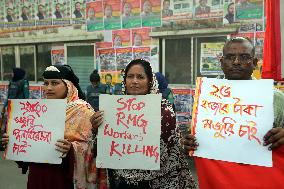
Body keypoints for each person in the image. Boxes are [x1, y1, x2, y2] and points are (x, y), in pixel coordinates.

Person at [91, 59, 197, 189]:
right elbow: (101, 147)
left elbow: (174, 147)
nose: (134, 81)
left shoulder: (164, 110)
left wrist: (184, 144)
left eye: (140, 77)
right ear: (124, 81)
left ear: (150, 82)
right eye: (130, 76)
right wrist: (96, 128)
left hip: (159, 182)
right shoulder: (112, 110)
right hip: (124, 182)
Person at [1, 65, 107, 189]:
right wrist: (14, 144)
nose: (49, 88)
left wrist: (71, 150)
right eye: (45, 83)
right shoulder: (36, 112)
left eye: (55, 83)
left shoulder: (83, 112)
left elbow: (94, 150)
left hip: (63, 180)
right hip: (37, 178)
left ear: (69, 85)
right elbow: (29, 155)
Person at [183, 37, 284, 159]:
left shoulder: (274, 97)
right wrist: (188, 143)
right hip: (216, 173)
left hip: (259, 174)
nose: (236, 62)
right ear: (221, 62)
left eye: (244, 57)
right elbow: (194, 137)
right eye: (230, 57)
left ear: (255, 63)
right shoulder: (206, 96)